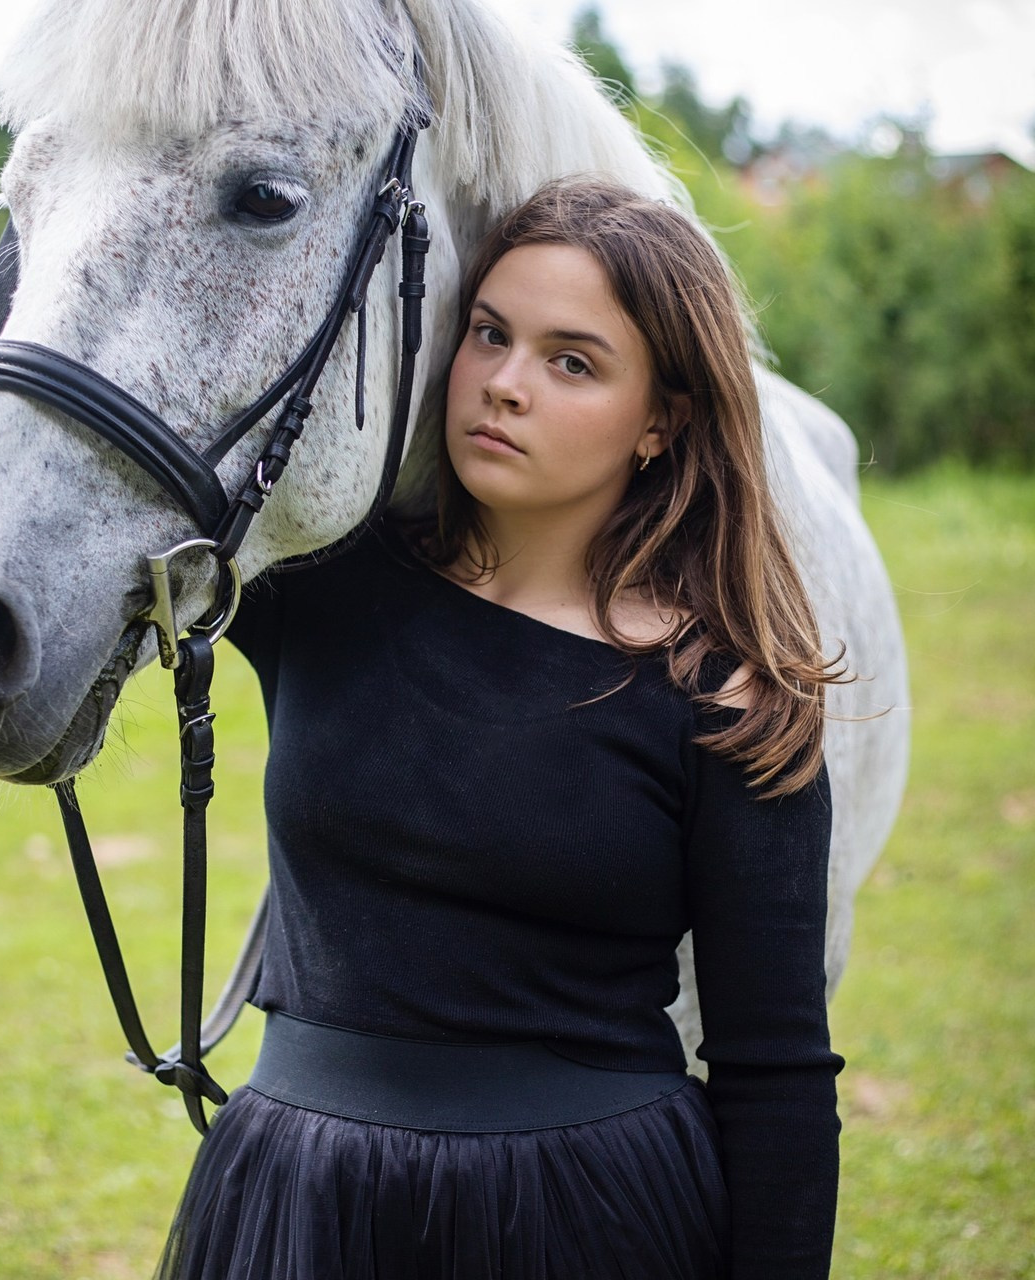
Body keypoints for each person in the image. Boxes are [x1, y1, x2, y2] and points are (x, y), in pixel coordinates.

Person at [154, 177, 846, 1280]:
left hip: (579, 1218)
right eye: (489, 334)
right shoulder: (320, 584)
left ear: (660, 420)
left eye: (570, 361)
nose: (503, 385)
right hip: (294, 1198)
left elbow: (776, 1075)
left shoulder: (720, 700)